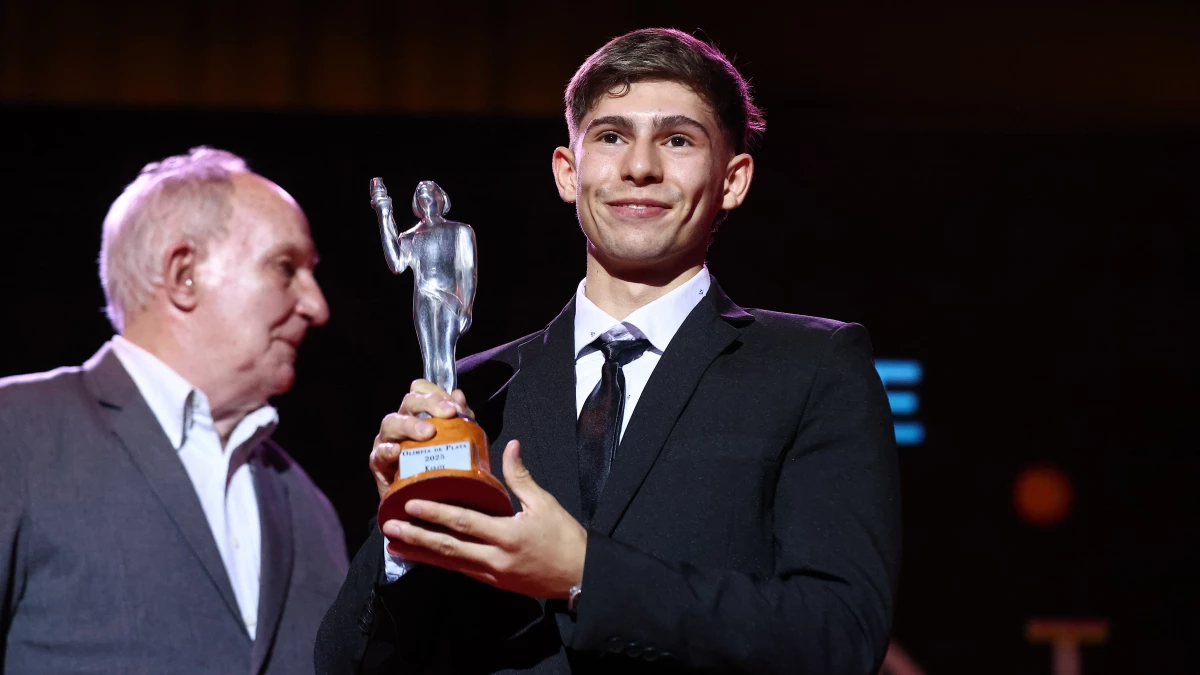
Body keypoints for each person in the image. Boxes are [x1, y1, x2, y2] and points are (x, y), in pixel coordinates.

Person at [316, 28, 900, 675]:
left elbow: (840, 635)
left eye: (677, 140)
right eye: (612, 137)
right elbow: (346, 664)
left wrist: (584, 573)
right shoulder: (476, 394)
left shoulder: (812, 368)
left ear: (732, 180)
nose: (639, 166)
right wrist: (403, 533)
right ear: (568, 172)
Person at [0, 147, 349, 675]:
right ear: (184, 274)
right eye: (286, 268)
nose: (317, 306)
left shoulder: (309, 506)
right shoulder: (16, 433)